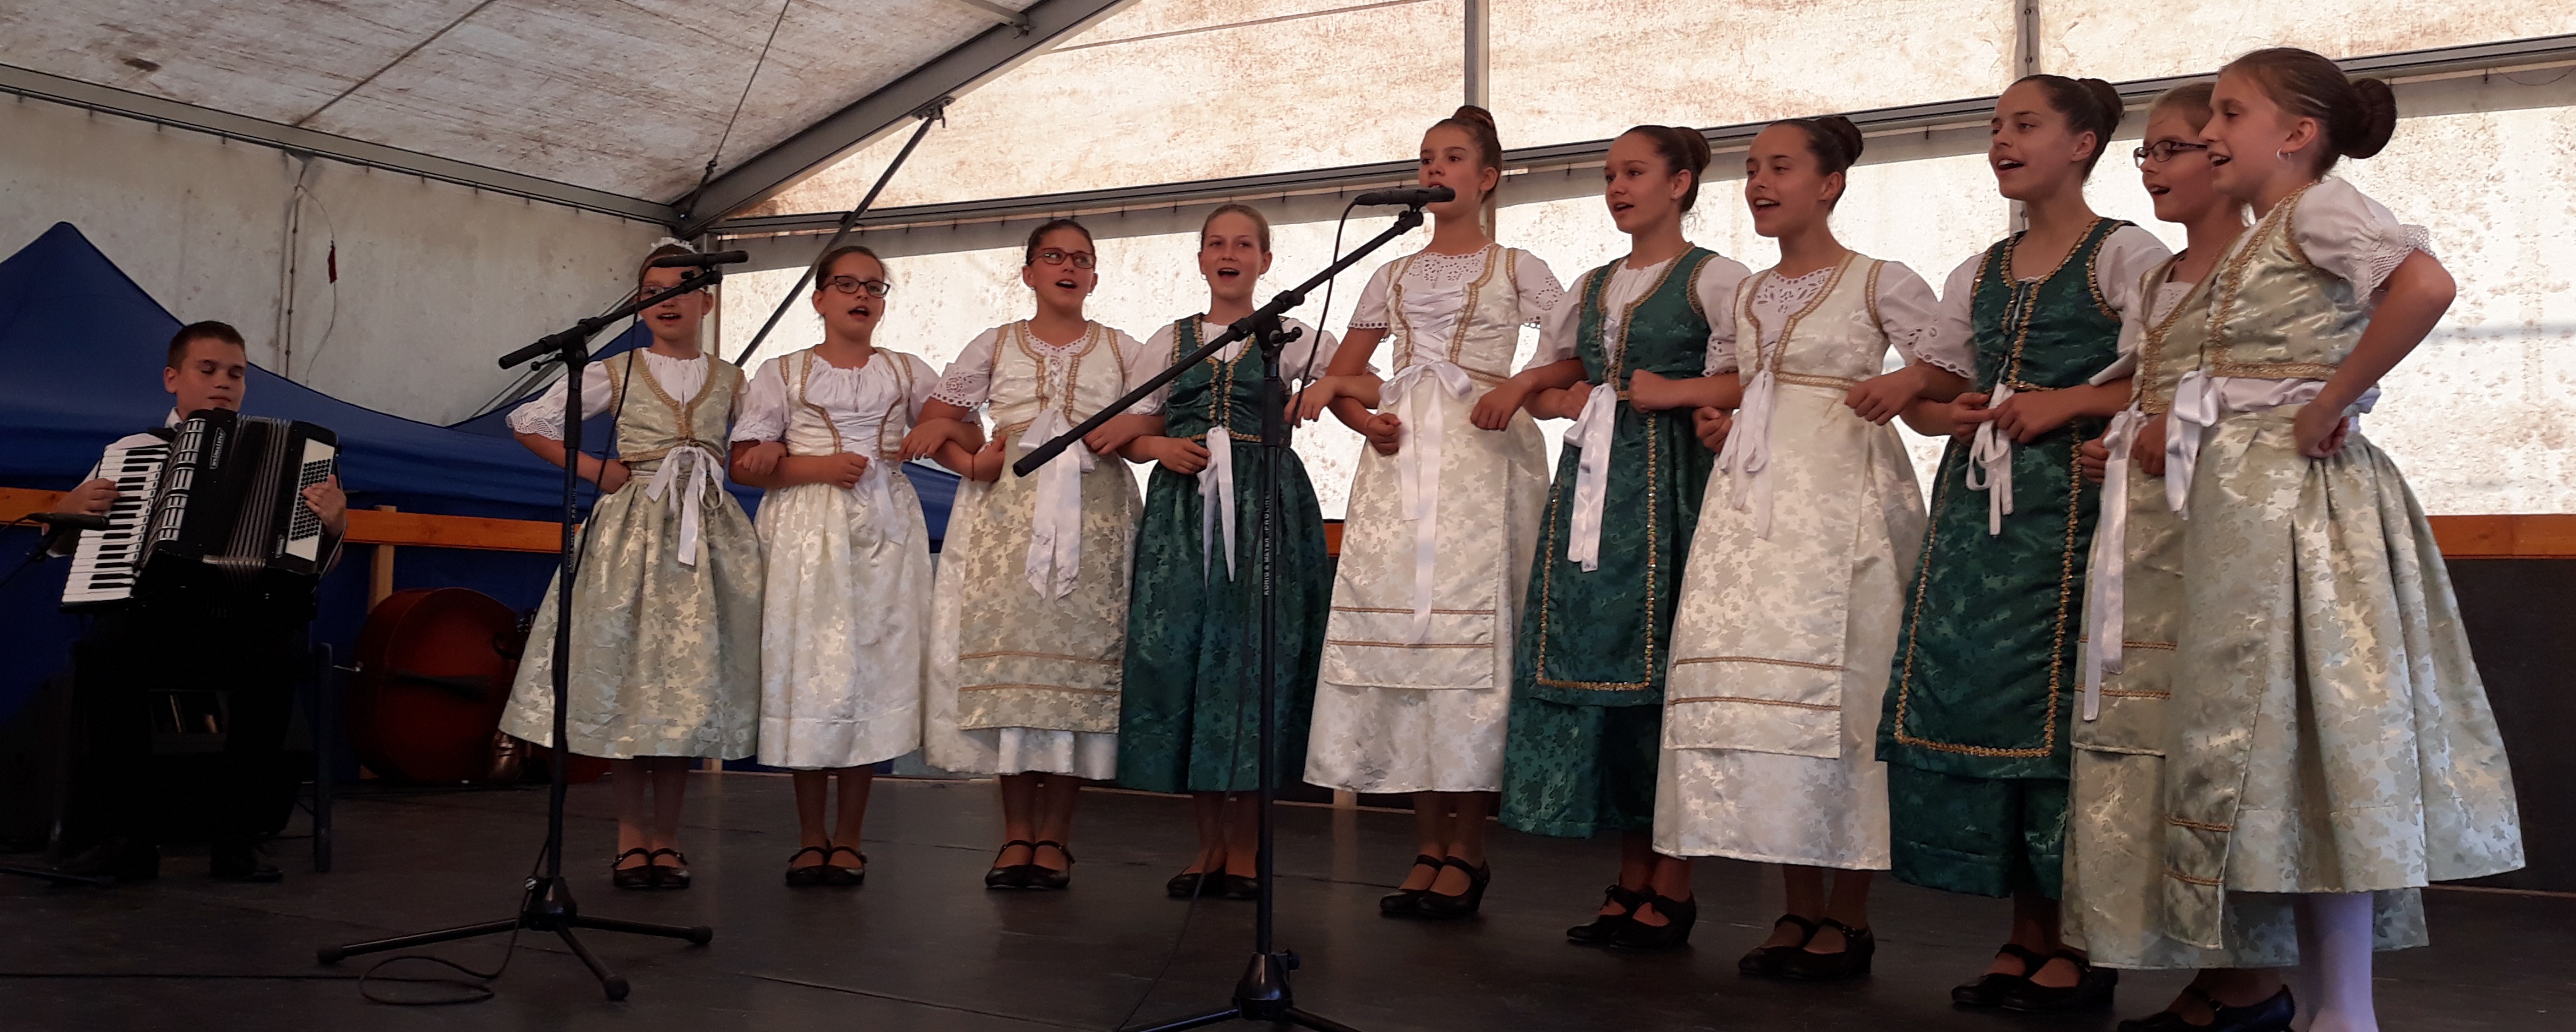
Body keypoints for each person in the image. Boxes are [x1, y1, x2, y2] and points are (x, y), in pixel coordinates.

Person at [2153, 47, 2523, 1032]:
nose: (2210, 131)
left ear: (2298, 133)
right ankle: (2328, 1003)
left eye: (2230, 112)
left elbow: (2426, 286)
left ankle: (2346, 1009)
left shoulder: (2318, 207)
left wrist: (2331, 395)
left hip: (2299, 512)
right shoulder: (2261, 232)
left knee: (2325, 743)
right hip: (2246, 509)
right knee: (2291, 757)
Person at [1873, 75, 2172, 1011]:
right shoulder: (1981, 271)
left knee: (2068, 719)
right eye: (1996, 127)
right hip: (1980, 515)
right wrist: (1949, 411)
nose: (2002, 140)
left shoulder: (2127, 254)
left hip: (2079, 506)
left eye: (2025, 125)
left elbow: (2167, 377)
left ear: (2083, 143)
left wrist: (2069, 403)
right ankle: (2025, 931)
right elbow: (1930, 404)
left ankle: (2084, 938)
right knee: (1989, 709)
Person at [1626, 115, 1943, 978]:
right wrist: (1713, 407)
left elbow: (1951, 367)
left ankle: (1848, 913)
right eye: (1753, 168)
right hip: (1754, 506)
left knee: (1841, 695)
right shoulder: (1750, 293)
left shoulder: (1881, 279)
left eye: (1781, 167)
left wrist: (1909, 379)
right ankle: (1795, 907)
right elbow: (1744, 378)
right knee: (1761, 697)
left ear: (1830, 182)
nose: (1760, 182)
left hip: (1843, 503)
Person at [1296, 105, 1564, 919]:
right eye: (1425, 158)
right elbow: (1347, 376)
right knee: (1408, 648)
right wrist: (1364, 422)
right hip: (1403, 458)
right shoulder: (1392, 271)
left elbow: (1576, 346)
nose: (1434, 169)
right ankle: (1425, 845)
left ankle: (1470, 850)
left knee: (1465, 644)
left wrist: (1516, 388)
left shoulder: (1519, 266)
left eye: (1453, 157)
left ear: (1487, 177)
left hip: (1484, 461)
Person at [1500, 124, 1749, 948]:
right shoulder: (1595, 282)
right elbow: (1558, 375)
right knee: (1610, 673)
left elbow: (1750, 374)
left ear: (1680, 183)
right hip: (1597, 498)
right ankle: (1631, 870)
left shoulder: (1715, 277)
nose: (1618, 187)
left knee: (1668, 674)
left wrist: (1669, 392)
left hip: (1675, 486)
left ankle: (1673, 879)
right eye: (1610, 174)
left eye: (1635, 172)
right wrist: (1552, 395)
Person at [497, 240, 762, 892]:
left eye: (681, 288)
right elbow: (528, 420)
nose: (667, 300)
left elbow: (763, 441)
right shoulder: (615, 371)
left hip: (704, 537)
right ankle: (628, 838)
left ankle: (667, 839)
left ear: (707, 298)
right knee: (632, 684)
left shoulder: (731, 379)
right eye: (653, 290)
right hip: (632, 533)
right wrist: (600, 470)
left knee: (681, 694)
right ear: (640, 303)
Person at [907, 218, 1158, 892]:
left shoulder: (1125, 349)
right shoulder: (994, 343)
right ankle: (1016, 833)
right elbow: (935, 421)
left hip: (1094, 513)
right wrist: (971, 462)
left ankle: (1058, 837)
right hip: (1007, 519)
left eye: (1081, 258)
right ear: (1028, 273)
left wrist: (1126, 429)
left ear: (1095, 276)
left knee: (1076, 675)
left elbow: (1154, 420)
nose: (1068, 268)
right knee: (1015, 676)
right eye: (1054, 257)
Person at [49, 321, 348, 883]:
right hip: (155, 627)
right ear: (172, 378)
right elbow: (68, 548)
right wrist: (71, 508)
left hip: (241, 627)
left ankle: (236, 842)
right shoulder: (131, 453)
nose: (223, 384)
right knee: (109, 644)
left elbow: (315, 569)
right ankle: (128, 839)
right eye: (207, 370)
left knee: (282, 650)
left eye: (235, 374)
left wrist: (336, 524)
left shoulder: (293, 456)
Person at [1118, 205, 1338, 900]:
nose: (1230, 252)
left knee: (1251, 665)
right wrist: (1158, 447)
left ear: (1266, 261)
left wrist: (1329, 387)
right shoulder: (1171, 339)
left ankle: (1245, 851)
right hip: (1184, 512)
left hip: (1267, 504)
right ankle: (1207, 846)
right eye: (1217, 242)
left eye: (1244, 243)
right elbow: (1127, 428)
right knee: (1184, 660)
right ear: (1201, 258)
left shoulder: (1292, 334)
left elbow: (1366, 380)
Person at [729, 246, 940, 888]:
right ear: (819, 299)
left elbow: (956, 427)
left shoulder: (909, 371)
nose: (862, 295)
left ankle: (849, 837)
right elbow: (743, 462)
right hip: (807, 530)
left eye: (874, 286)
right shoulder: (782, 372)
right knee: (813, 672)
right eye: (846, 284)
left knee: (871, 672)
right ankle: (809, 835)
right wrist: (809, 465)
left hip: (885, 531)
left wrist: (942, 435)